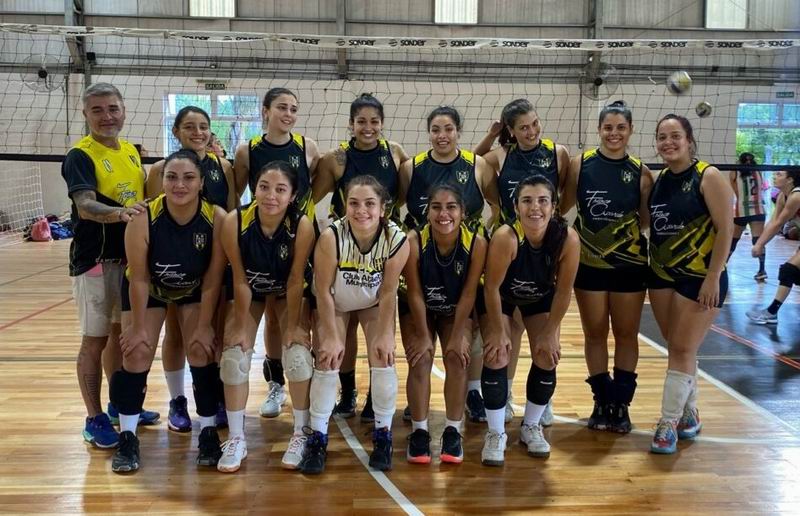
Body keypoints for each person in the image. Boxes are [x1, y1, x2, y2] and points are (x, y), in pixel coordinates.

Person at [110, 150, 227, 472]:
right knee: (137, 351)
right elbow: (138, 277)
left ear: (201, 182)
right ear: (161, 181)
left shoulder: (216, 218)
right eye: (172, 177)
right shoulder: (142, 218)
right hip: (149, 288)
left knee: (201, 348)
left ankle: (207, 432)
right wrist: (137, 328)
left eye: (188, 177)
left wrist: (205, 324)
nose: (180, 184)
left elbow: (213, 278)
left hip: (194, 288)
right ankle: (128, 437)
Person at [60, 82, 158, 451]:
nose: (107, 116)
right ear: (85, 114)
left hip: (130, 261)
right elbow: (85, 205)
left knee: (119, 336)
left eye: (113, 108)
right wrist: (120, 214)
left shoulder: (131, 151)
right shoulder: (80, 155)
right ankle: (94, 418)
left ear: (124, 111)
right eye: (97, 110)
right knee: (95, 339)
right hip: (95, 262)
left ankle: (120, 404)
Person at [301, 175, 409, 474]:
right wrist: (330, 335)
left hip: (372, 302)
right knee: (327, 357)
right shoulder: (331, 237)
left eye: (370, 204)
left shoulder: (397, 240)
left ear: (383, 209)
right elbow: (323, 290)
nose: (362, 210)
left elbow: (388, 292)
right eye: (354, 203)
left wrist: (386, 335)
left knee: (384, 357)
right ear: (344, 206)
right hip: (336, 301)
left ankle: (383, 435)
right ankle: (318, 437)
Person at [312, 93, 410, 422]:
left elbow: (407, 193)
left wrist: (386, 224)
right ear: (351, 124)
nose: (368, 127)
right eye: (361, 121)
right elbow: (311, 196)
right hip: (345, 244)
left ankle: (373, 397)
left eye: (374, 121)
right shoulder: (337, 159)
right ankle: (348, 390)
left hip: (381, 243)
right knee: (346, 326)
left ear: (382, 124)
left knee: (379, 324)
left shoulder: (394, 153)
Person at [400, 105, 500, 424]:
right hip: (425, 261)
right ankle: (418, 402)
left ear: (458, 131)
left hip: (466, 259)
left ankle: (472, 391)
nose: (442, 135)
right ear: (428, 133)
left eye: (448, 129)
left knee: (469, 340)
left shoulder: (478, 164)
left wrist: (490, 233)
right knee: (421, 348)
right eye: (436, 130)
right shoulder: (411, 168)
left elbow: (498, 204)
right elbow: (394, 205)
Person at [474, 98, 571, 425]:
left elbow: (564, 193)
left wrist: (549, 222)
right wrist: (492, 135)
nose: (531, 131)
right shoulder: (501, 155)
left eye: (535, 123)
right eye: (523, 127)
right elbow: (470, 162)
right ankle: (507, 393)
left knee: (546, 329)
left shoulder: (557, 153)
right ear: (512, 131)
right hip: (508, 242)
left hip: (544, 243)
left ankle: (542, 400)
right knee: (510, 326)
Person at [217, 160, 315, 472]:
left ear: (293, 195)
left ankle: (301, 433)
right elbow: (239, 278)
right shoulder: (234, 221)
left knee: (297, 355)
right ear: (254, 189)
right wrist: (238, 326)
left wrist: (295, 326)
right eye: (264, 187)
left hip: (288, 289)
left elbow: (296, 278)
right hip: (251, 287)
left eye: (280, 189)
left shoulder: (302, 225)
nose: (271, 195)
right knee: (234, 356)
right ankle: (236, 438)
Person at [560, 101, 652, 433]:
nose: (614, 133)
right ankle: (602, 400)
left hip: (629, 265)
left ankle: (621, 403)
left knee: (626, 334)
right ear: (599, 129)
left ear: (630, 130)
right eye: (608, 127)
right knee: (595, 333)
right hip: (589, 262)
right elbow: (564, 206)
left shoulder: (641, 172)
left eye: (620, 127)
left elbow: (645, 219)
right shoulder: (580, 164)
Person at [146, 106, 236, 433]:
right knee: (176, 333)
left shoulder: (223, 167)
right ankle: (177, 400)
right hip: (176, 265)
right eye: (189, 127)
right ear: (176, 132)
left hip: (214, 260)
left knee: (213, 331)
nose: (197, 133)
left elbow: (233, 210)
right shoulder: (162, 170)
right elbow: (153, 218)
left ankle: (213, 397)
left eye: (203, 126)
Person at [648, 114, 733, 454]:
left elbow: (726, 229)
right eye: (662, 137)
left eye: (675, 136)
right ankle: (689, 413)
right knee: (678, 346)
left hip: (699, 276)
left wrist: (713, 276)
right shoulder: (660, 180)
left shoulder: (708, 176)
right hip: (662, 274)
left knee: (682, 348)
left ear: (689, 140)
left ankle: (667, 423)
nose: (668, 142)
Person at [480, 175, 579, 466]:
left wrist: (550, 332)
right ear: (516, 206)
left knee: (547, 354)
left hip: (539, 297)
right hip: (503, 297)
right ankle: (495, 432)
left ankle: (531, 426)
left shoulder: (568, 239)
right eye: (527, 201)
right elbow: (491, 288)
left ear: (554, 207)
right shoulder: (506, 237)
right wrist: (498, 330)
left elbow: (564, 291)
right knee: (497, 352)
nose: (535, 207)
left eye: (543, 201)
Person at [233, 87, 320, 419]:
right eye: (282, 107)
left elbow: (313, 186)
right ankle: (275, 385)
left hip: (299, 237)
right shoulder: (247, 150)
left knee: (299, 316)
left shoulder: (308, 147)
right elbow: (235, 193)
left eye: (294, 109)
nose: (288, 114)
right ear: (265, 111)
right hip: (262, 238)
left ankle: (310, 386)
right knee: (270, 314)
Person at [401, 184, 487, 464]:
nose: (443, 214)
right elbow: (414, 293)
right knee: (421, 358)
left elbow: (469, 293)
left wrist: (458, 335)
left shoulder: (476, 243)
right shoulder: (413, 241)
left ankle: (452, 430)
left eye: (451, 207)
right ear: (427, 212)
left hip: (455, 308)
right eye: (436, 207)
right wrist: (423, 335)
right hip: (419, 308)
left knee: (457, 357)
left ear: (462, 212)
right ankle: (419, 431)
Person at [746, 169, 800, 324]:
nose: (774, 176)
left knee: (789, 270)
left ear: (790, 180)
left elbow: (778, 224)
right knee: (791, 272)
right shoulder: (783, 196)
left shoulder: (796, 196)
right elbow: (774, 221)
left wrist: (759, 244)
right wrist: (760, 242)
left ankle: (771, 312)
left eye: (779, 174)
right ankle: (772, 313)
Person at [729, 152, 769, 280]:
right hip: (758, 209)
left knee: (733, 240)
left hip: (742, 210)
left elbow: (736, 192)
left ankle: (721, 268)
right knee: (758, 240)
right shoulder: (759, 171)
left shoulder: (735, 171)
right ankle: (762, 270)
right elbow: (762, 188)